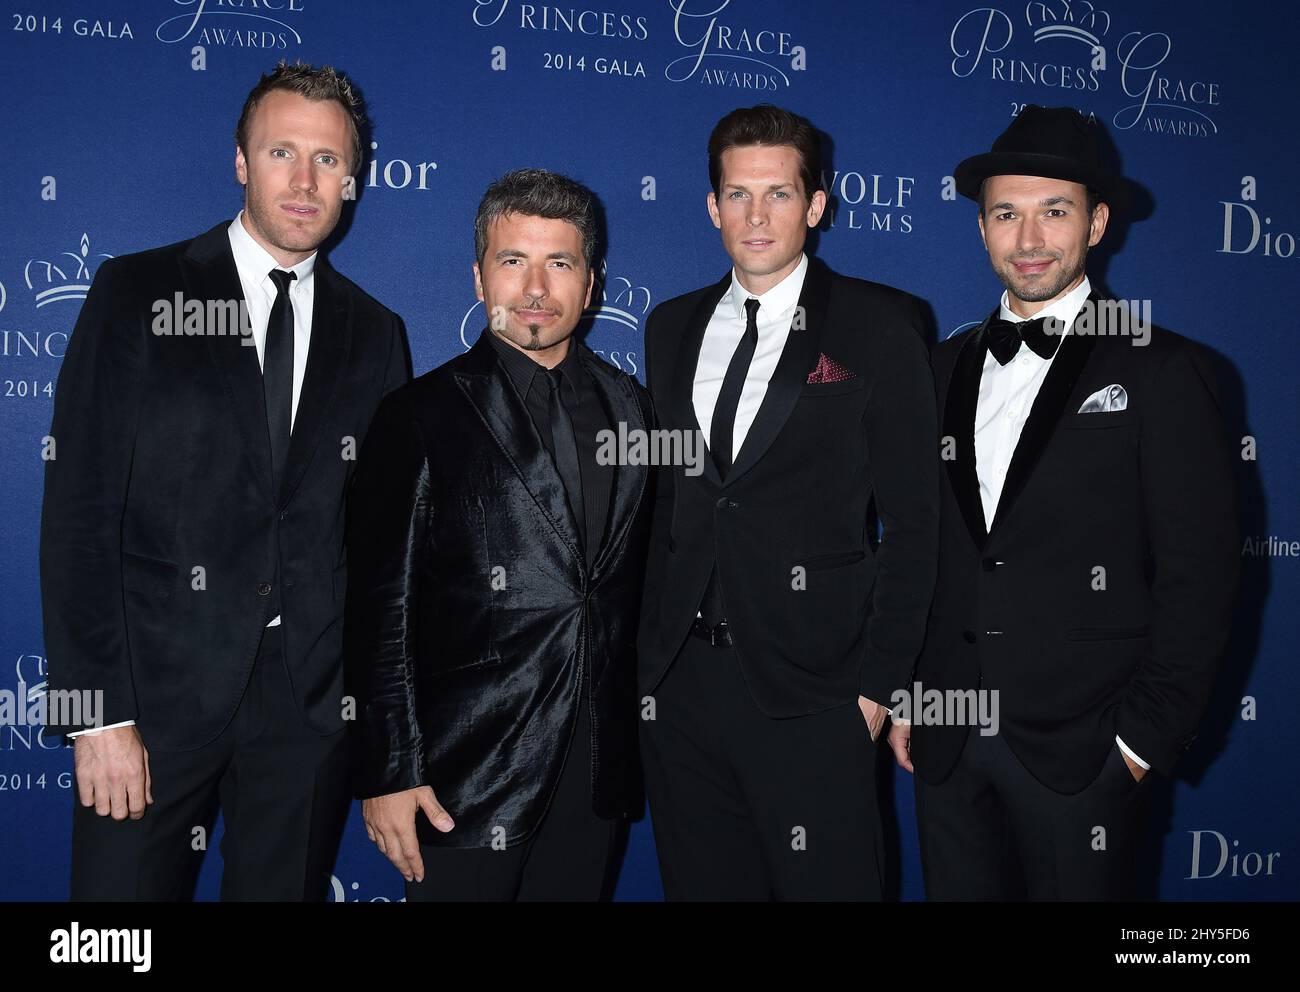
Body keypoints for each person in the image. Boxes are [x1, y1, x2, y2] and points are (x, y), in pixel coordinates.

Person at [40, 61, 410, 901]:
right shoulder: (139, 292)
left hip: (307, 711)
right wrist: (94, 715)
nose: (305, 180)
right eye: (282, 152)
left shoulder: (374, 332)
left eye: (328, 160)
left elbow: (383, 546)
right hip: (151, 702)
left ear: (353, 179)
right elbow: (78, 514)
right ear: (241, 161)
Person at [898, 105, 1239, 900]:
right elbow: (927, 544)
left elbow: (1204, 573)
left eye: (1055, 212)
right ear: (982, 229)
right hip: (949, 738)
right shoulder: (940, 366)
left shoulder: (1163, 368)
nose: (1028, 240)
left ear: (1098, 223)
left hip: (1086, 749)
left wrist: (1139, 741)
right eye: (1006, 214)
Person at [637, 104, 939, 900]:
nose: (756, 215)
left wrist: (881, 686)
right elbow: (670, 507)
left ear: (816, 204)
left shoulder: (880, 323)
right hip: (681, 689)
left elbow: (916, 523)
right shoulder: (668, 327)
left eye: (778, 194)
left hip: (818, 691)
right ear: (712, 206)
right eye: (738, 194)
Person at [345, 169, 653, 901]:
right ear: (479, 276)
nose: (537, 288)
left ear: (591, 282)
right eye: (514, 262)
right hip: (466, 772)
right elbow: (379, 608)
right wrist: (390, 770)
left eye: (560, 263)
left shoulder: (636, 411)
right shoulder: (418, 414)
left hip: (594, 764)